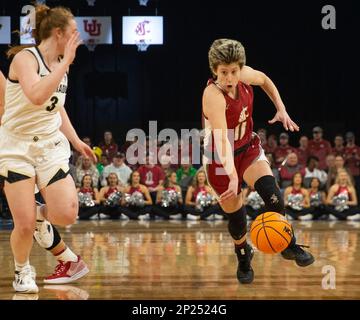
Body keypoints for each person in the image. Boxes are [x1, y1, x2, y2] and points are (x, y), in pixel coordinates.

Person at [0, 4, 95, 293]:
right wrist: (65, 63)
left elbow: (56, 109)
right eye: (74, 31)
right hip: (17, 147)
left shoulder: (57, 64)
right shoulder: (25, 59)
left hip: (50, 144)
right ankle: (22, 270)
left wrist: (77, 141)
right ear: (58, 33)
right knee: (24, 225)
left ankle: (40, 214)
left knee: (67, 213)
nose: (78, 36)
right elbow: (37, 95)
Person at [202, 39, 314, 284]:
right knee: (237, 218)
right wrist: (232, 175)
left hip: (247, 147)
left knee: (274, 195)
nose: (230, 78)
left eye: (233, 71)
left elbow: (264, 80)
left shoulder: (244, 75)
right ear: (214, 70)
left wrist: (281, 108)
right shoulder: (213, 95)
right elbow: (221, 141)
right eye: (223, 73)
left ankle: (288, 244)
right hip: (220, 157)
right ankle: (243, 256)